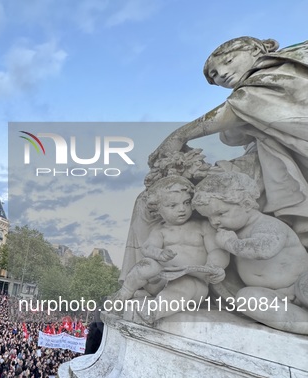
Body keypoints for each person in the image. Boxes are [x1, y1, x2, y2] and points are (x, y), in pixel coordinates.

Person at [148, 36, 308, 246]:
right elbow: (236, 132)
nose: (222, 74)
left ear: (262, 49)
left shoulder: (282, 68)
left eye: (229, 61)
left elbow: (240, 106)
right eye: (215, 75)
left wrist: (180, 135)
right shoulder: (252, 100)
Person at [193, 171, 308, 334]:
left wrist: (230, 243)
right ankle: (303, 323)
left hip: (300, 282)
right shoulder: (231, 232)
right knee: (246, 299)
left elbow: (264, 249)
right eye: (209, 217)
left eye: (220, 213)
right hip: (275, 294)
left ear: (246, 204)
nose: (214, 221)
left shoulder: (267, 224)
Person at [115, 176, 228, 321]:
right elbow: (147, 247)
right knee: (146, 265)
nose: (182, 209)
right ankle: (124, 293)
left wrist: (215, 267)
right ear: (158, 209)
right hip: (161, 281)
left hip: (194, 283)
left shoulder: (203, 226)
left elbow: (217, 251)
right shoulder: (160, 230)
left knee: (183, 284)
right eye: (173, 206)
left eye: (186, 203)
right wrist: (159, 253)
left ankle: (155, 311)